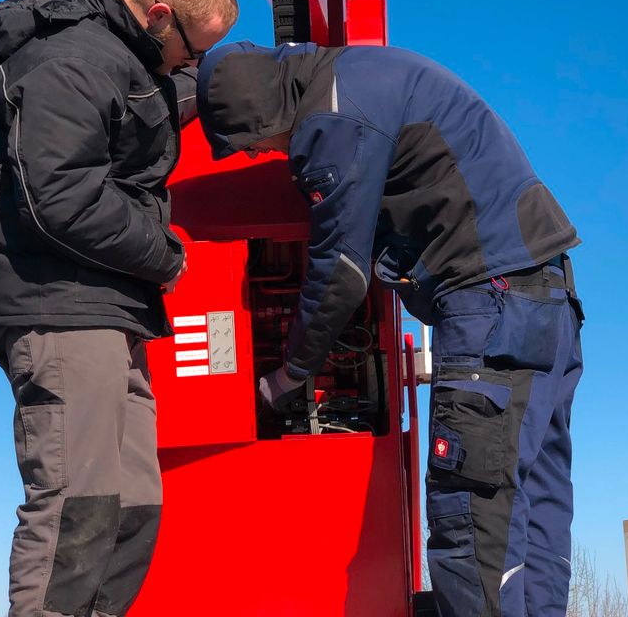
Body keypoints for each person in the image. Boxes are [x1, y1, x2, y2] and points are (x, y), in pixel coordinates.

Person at [196, 41, 585, 617]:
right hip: (549, 305)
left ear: (267, 113)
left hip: (491, 309)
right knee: (531, 518)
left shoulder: (332, 117)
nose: (263, 155)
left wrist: (289, 373)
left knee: (471, 519)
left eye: (255, 144)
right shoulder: (357, 70)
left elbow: (340, 268)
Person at [0, 0, 237, 617]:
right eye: (191, 51)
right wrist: (164, 255)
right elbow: (56, 194)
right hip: (59, 308)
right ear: (159, 15)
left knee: (133, 508)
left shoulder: (127, 56)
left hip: (109, 312)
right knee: (76, 510)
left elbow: (151, 99)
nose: (187, 65)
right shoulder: (72, 61)